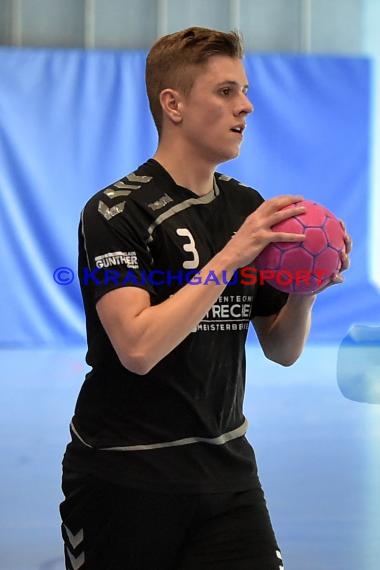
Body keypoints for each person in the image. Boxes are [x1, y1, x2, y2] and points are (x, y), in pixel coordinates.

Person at [60, 26, 351, 570]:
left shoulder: (246, 206)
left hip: (227, 474)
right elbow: (138, 349)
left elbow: (282, 350)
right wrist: (231, 257)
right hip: (124, 476)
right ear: (173, 104)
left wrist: (305, 291)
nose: (247, 105)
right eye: (225, 91)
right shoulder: (116, 213)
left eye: (244, 89)